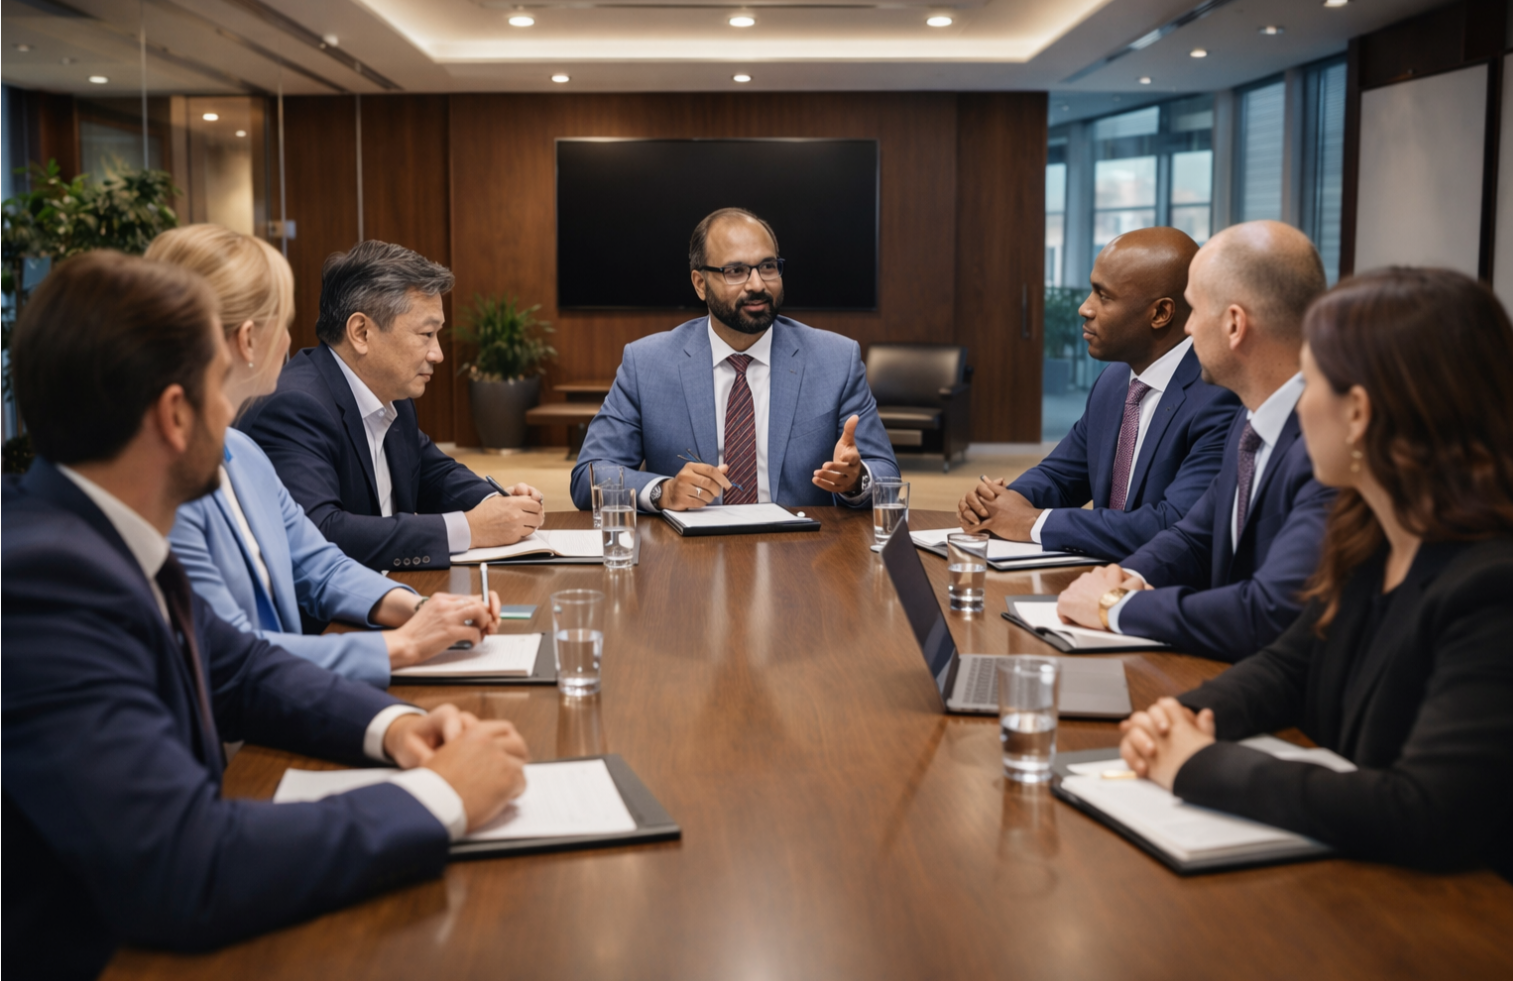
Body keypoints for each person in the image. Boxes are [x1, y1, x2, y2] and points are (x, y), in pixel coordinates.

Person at [2, 252, 531, 979]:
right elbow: (186, 864)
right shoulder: (43, 586)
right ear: (176, 416)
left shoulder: (108, 534)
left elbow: (241, 667)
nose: (236, 412)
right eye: (220, 388)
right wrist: (440, 796)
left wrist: (397, 728)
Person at [1118, 267, 1513, 878]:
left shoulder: (1491, 586)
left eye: (1314, 378)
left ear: (1358, 414)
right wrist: (1187, 717)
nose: (1299, 400)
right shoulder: (1372, 539)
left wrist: (1198, 764)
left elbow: (1424, 810)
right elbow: (1290, 665)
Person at [148, 225, 493, 687]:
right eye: (283, 322)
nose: (292, 343)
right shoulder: (165, 482)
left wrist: (421, 608)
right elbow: (231, 654)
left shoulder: (242, 452)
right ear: (249, 340)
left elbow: (318, 564)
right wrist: (402, 645)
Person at [1056, 221, 1335, 661]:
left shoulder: (1328, 447)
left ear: (1234, 325)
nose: (1186, 332)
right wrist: (1121, 578)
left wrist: (1118, 607)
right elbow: (1192, 537)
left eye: (1194, 311)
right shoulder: (1252, 417)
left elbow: (1266, 613)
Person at [238, 240, 543, 572]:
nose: (437, 354)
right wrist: (470, 529)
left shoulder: (390, 395)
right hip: (327, 621)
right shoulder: (295, 406)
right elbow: (320, 533)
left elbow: (434, 473)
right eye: (426, 334)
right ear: (362, 332)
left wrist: (495, 502)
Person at [568, 208, 899, 512]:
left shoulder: (836, 359)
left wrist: (857, 480)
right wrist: (663, 492)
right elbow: (588, 477)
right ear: (700, 283)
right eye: (736, 271)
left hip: (804, 555)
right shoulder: (647, 364)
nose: (757, 285)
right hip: (688, 560)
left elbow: (886, 475)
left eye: (768, 267)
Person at [958, 227, 1240, 560]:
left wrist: (1032, 522)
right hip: (1090, 576)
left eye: (1103, 296)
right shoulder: (1114, 380)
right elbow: (1060, 477)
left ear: (1161, 313)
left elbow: (1173, 525)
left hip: (1156, 594)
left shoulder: (1220, 396)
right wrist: (996, 504)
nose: (1084, 308)